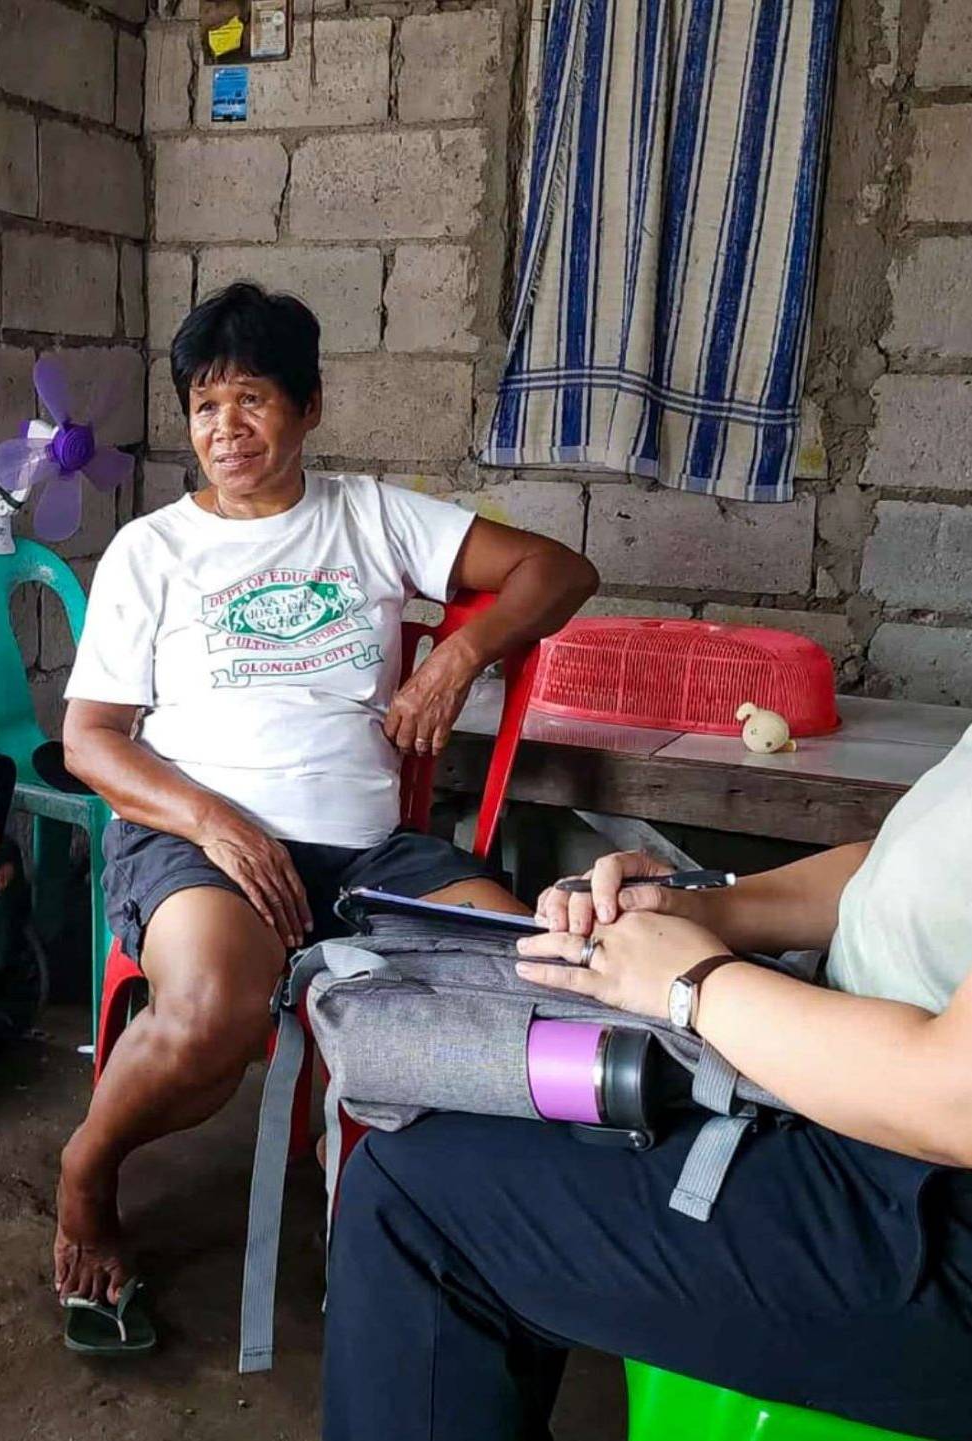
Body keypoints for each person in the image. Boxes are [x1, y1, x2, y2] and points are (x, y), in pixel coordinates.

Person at [55, 282, 600, 1310]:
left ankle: (383, 1175)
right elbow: (88, 739)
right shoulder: (153, 550)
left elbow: (559, 568)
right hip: (196, 847)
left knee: (541, 979)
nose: (228, 428)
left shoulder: (372, 516)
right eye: (206, 404)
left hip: (369, 853)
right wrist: (218, 823)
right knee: (213, 1015)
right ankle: (87, 1173)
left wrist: (457, 658)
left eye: (254, 399)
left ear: (310, 406)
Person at [323, 735, 972, 1440]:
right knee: (456, 1129)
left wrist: (693, 985)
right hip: (841, 1089)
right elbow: (888, 873)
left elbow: (952, 1100)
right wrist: (700, 911)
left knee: (414, 1197)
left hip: (921, 1197)